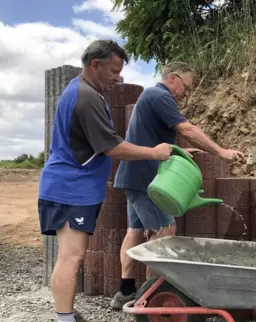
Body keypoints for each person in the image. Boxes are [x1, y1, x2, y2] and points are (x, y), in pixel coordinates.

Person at [38, 40, 175, 322]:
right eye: (113, 71)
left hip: (74, 188)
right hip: (70, 190)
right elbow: (112, 147)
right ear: (95, 65)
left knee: (73, 254)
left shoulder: (84, 91)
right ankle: (64, 318)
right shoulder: (85, 97)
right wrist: (155, 152)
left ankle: (66, 314)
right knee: (72, 257)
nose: (117, 78)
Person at [110, 61, 244, 309]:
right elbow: (187, 128)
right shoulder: (159, 95)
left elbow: (150, 137)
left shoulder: (150, 97)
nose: (185, 92)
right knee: (165, 230)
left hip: (134, 175)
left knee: (135, 231)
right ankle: (149, 295)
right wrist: (220, 151)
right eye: (185, 86)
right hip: (147, 178)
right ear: (173, 78)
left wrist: (180, 149)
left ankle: (126, 292)